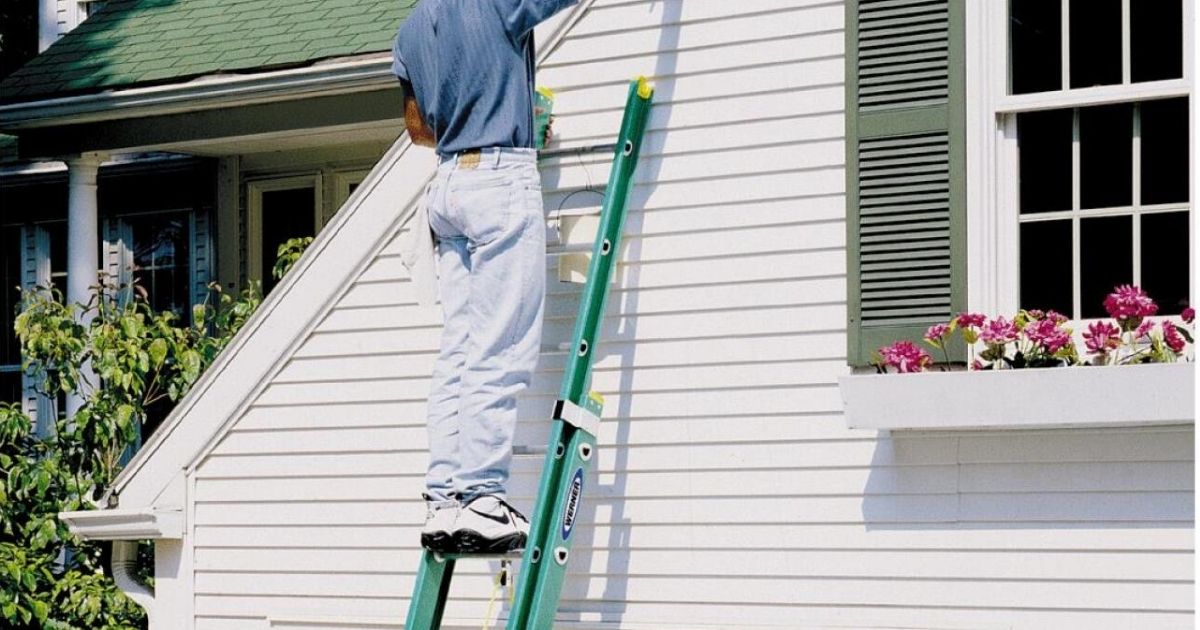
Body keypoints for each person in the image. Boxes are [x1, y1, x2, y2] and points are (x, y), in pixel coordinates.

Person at [391, 0, 578, 554]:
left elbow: (417, 127)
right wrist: (503, 103)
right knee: (500, 348)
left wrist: (469, 107)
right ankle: (481, 496)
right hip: (500, 177)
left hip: (447, 183)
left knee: (460, 350)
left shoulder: (409, 30)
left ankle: (444, 501)